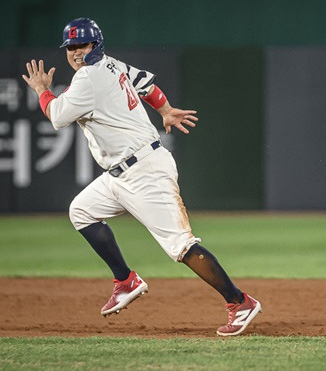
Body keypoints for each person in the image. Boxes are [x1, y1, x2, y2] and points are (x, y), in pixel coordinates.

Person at [22, 17, 261, 336]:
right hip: (120, 174)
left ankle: (240, 302)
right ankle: (125, 280)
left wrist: (42, 90)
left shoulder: (88, 79)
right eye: (71, 47)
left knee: (181, 246)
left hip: (145, 171)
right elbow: (146, 84)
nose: (77, 52)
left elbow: (56, 117)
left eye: (83, 44)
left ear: (96, 44)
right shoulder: (111, 65)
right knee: (81, 210)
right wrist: (164, 110)